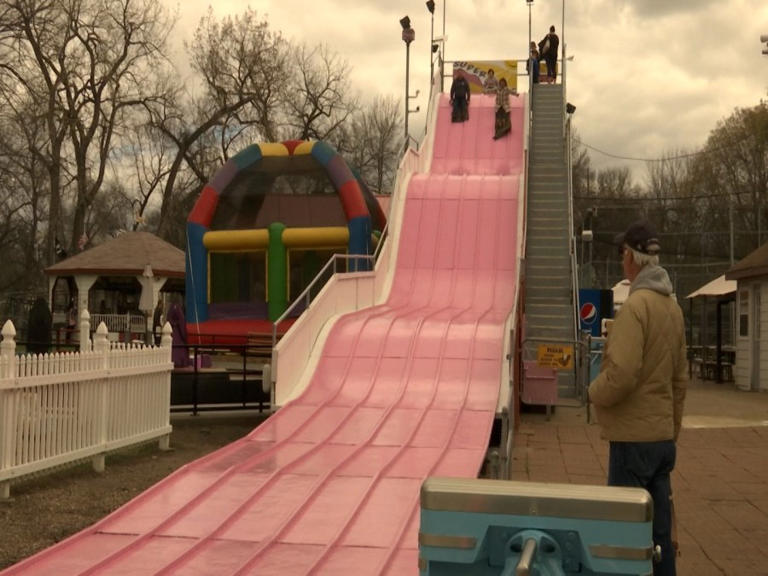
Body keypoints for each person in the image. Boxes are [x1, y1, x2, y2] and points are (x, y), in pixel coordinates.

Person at [589, 219, 687, 576]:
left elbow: (623, 374)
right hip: (662, 440)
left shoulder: (634, 309)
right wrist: (670, 429)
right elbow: (680, 379)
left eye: (621, 254)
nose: (620, 261)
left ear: (631, 257)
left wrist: (592, 393)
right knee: (660, 536)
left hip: (632, 442)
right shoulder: (673, 309)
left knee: (625, 535)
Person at [166, 300, 190, 368]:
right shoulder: (179, 311)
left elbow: (168, 319)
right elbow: (182, 326)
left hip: (171, 334)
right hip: (179, 336)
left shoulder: (170, 310)